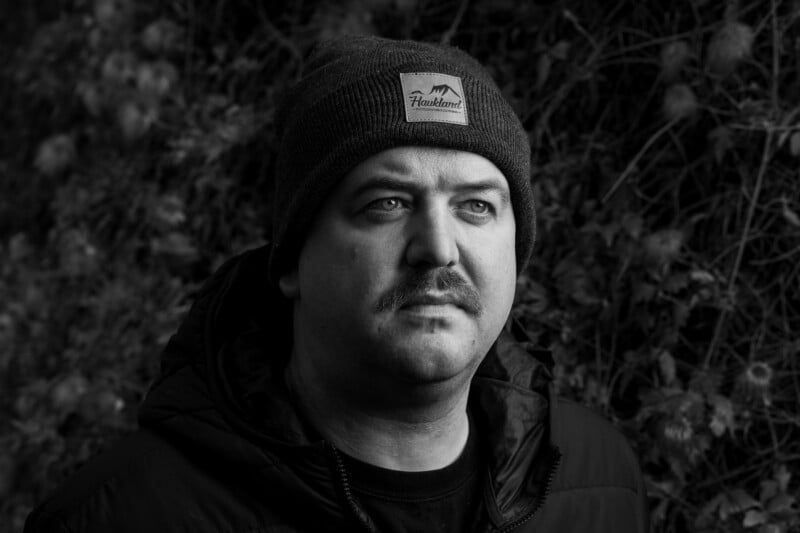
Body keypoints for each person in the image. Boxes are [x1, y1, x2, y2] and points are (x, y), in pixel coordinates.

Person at [25, 35, 649, 533]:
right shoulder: (122, 516)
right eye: (387, 203)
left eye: (476, 207)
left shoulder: (599, 479)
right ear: (293, 259)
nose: (437, 246)